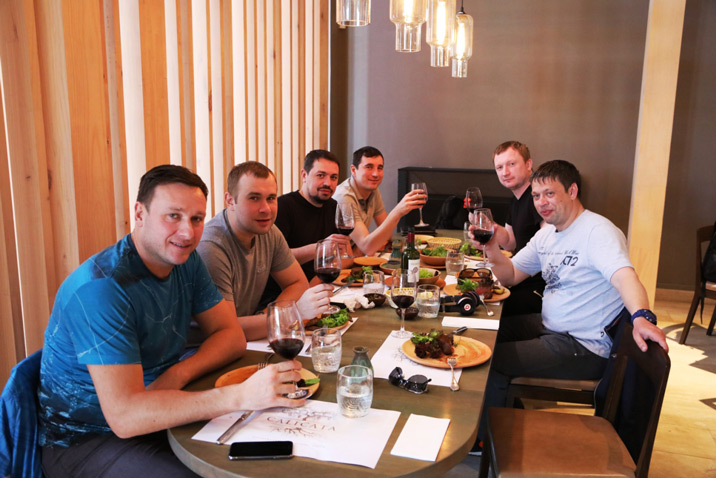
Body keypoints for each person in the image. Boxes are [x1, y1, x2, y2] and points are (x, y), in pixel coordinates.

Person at [38, 165, 305, 477]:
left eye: (196, 219)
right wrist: (240, 396)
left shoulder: (185, 261)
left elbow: (230, 336)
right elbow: (125, 418)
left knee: (275, 457)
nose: (187, 233)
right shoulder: (103, 289)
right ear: (140, 214)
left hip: (162, 407)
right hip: (87, 439)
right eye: (173, 216)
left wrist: (178, 374)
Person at [471, 159, 669, 452]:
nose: (541, 202)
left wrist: (641, 316)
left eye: (550, 193)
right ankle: (504, 408)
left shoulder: (597, 232)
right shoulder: (547, 234)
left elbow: (624, 276)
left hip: (583, 344)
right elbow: (510, 275)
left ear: (573, 191)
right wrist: (490, 248)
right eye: (536, 196)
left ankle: (483, 440)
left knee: (489, 360)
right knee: (483, 333)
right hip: (551, 326)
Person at [197, 162, 332, 341]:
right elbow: (226, 330)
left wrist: (269, 316)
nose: (266, 209)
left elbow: (297, 283)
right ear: (230, 200)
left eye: (271, 198)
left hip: (251, 338)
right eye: (254, 198)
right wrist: (293, 314)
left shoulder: (268, 231)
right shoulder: (212, 247)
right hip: (205, 346)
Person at [261, 150, 352, 304]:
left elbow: (347, 256)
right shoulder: (282, 207)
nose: (327, 183)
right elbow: (271, 259)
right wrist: (320, 248)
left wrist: (317, 280)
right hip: (283, 298)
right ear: (304, 175)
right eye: (320, 175)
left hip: (318, 290)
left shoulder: (333, 206)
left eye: (333, 177)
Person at [333, 146, 425, 255]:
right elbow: (367, 247)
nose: (375, 174)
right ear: (353, 170)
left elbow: (387, 235)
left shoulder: (373, 190)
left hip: (358, 255)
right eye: (369, 167)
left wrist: (370, 244)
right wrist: (398, 211)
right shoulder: (344, 197)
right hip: (338, 260)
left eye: (380, 168)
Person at [490, 141, 545, 316]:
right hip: (519, 279)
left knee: (486, 305)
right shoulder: (516, 199)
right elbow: (510, 242)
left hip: (537, 287)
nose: (505, 172)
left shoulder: (538, 198)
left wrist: (510, 271)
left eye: (511, 164)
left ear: (528, 164)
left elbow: (547, 243)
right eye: (499, 167)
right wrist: (490, 227)